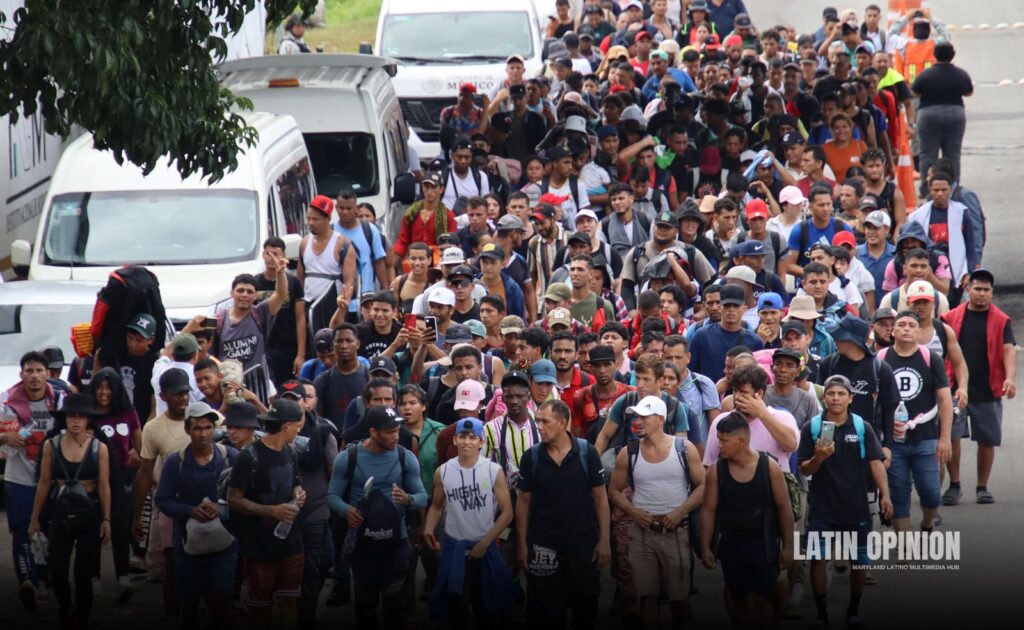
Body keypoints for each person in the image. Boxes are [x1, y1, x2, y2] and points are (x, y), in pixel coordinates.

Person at [798, 375, 892, 630]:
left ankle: (853, 610)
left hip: (856, 505)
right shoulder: (812, 428)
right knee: (818, 559)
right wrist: (818, 458)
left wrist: (885, 494)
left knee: (859, 561)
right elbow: (805, 470)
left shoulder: (862, 428)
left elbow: (875, 462)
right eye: (831, 394)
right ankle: (821, 614)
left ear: (850, 398)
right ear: (824, 397)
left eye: (841, 394)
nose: (836, 398)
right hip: (821, 507)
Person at [608, 395, 704, 630]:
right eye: (636, 416)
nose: (637, 421)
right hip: (642, 531)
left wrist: (680, 511)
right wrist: (635, 513)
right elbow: (614, 491)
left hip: (676, 530)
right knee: (647, 595)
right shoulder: (628, 452)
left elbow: (703, 486)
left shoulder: (683, 448)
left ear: (660, 419)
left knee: (678, 597)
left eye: (644, 416)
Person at [327, 407, 427, 629]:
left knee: (395, 605)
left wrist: (407, 499)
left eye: (398, 430)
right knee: (366, 605)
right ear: (373, 432)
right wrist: (347, 511)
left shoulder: (405, 457)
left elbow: (422, 497)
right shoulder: (348, 457)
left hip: (396, 541)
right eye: (390, 432)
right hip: (362, 543)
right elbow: (332, 496)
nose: (396, 436)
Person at [515, 399, 610, 628]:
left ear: (562, 423)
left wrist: (605, 541)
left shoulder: (587, 453)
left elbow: (601, 498)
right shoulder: (532, 457)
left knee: (585, 606)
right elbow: (523, 504)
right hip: (543, 546)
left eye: (544, 421)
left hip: (582, 545)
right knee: (543, 611)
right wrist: (522, 546)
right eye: (537, 421)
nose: (538, 426)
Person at [700, 412, 794, 630]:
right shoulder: (717, 470)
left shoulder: (769, 467)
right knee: (739, 599)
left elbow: (784, 509)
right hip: (732, 545)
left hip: (764, 544)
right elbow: (708, 511)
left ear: (741, 441)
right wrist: (705, 547)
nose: (719, 446)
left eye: (724, 441)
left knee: (764, 600)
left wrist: (788, 547)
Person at [28, 393, 112, 629]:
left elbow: (104, 486)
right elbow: (44, 483)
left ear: (88, 420)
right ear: (64, 419)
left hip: (89, 514)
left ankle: (82, 618)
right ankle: (65, 609)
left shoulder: (99, 448)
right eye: (71, 416)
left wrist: (106, 519)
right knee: (58, 570)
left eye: (81, 416)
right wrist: (34, 518)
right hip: (60, 513)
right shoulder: (51, 445)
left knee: (83, 573)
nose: (75, 421)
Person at [423, 418, 515, 628]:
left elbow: (507, 513)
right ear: (454, 439)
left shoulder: (493, 470)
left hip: (485, 546)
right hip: (454, 547)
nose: (467, 442)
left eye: (473, 437)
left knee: (489, 605)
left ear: (481, 442)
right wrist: (428, 529)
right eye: (462, 437)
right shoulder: (443, 471)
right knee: (454, 605)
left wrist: (485, 543)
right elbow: (437, 506)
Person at [154, 403, 237, 630]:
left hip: (225, 542)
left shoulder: (230, 457)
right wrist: (190, 510)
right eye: (197, 428)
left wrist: (221, 508)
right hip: (188, 543)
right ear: (187, 430)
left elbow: (245, 494)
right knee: (189, 599)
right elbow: (163, 500)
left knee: (222, 596)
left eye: (208, 428)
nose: (203, 434)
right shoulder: (175, 462)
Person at [227, 398, 307, 630]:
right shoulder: (249, 456)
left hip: (291, 542)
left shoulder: (290, 451)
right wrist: (271, 510)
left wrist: (298, 493)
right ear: (286, 426)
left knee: (290, 601)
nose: (299, 429)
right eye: (296, 425)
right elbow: (234, 500)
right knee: (259, 607)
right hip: (259, 544)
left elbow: (296, 482)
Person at [940, 269, 1016, 505]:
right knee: (952, 436)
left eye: (986, 290)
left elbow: (1008, 349)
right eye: (977, 289)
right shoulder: (950, 317)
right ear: (967, 289)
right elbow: (940, 351)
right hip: (956, 389)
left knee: (987, 439)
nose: (982, 294)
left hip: (987, 388)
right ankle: (954, 485)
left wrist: (1010, 378)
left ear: (992, 292)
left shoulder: (1001, 319)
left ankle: (982, 487)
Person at [0, 350, 64, 608]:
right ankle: (27, 580)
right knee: (21, 529)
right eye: (29, 371)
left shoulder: (60, 400)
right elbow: (8, 448)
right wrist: (5, 437)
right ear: (21, 374)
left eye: (39, 371)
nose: (35, 376)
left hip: (50, 478)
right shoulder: (8, 402)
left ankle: (45, 580)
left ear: (48, 374)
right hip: (19, 476)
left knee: (50, 529)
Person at [879, 310, 953, 533]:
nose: (906, 329)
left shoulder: (931, 358)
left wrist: (945, 438)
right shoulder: (881, 359)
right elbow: (874, 401)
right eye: (901, 324)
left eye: (912, 325)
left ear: (920, 332)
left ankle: (928, 522)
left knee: (931, 492)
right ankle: (904, 546)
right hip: (893, 441)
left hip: (926, 437)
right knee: (899, 494)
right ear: (892, 330)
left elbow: (945, 400)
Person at [131, 369, 195, 615]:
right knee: (173, 562)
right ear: (163, 395)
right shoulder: (153, 428)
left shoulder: (203, 419)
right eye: (177, 393)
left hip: (203, 503)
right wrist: (137, 518)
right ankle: (173, 615)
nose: (183, 398)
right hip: (169, 504)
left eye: (186, 392)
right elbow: (145, 473)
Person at [87, 367, 142, 603]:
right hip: (93, 479)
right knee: (93, 529)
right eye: (100, 386)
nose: (104, 392)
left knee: (120, 528)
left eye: (109, 386)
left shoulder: (129, 413)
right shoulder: (87, 415)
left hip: (122, 480)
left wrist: (137, 455)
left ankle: (123, 577)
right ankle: (93, 577)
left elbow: (141, 447)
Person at [211, 266, 290, 398]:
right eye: (240, 290)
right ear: (232, 293)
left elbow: (281, 294)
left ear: (255, 296)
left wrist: (281, 272)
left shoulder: (260, 313)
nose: (244, 295)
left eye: (249, 291)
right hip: (229, 392)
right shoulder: (219, 320)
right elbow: (210, 357)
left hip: (258, 391)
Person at [912, 42, 972, 194]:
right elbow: (968, 92)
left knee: (927, 153)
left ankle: (927, 188)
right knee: (953, 153)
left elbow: (914, 93)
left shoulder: (925, 75)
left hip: (928, 115)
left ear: (934, 54)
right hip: (955, 114)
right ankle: (953, 188)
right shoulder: (960, 74)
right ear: (953, 55)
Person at [253, 237, 306, 385]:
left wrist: (300, 354)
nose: (272, 259)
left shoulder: (294, 282)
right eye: (268, 254)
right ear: (263, 255)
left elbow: (300, 318)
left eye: (276, 254)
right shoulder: (255, 283)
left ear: (284, 256)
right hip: (265, 346)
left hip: (288, 345)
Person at [689, 285, 764, 382]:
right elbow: (691, 373)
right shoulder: (702, 336)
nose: (731, 310)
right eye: (727, 305)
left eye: (736, 306)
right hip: (708, 395)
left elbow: (757, 378)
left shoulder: (754, 341)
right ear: (720, 307)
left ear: (744, 309)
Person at [298, 195, 357, 317]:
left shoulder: (343, 245)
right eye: (308, 219)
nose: (311, 223)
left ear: (328, 218)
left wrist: (342, 310)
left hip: (333, 308)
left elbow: (349, 282)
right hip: (308, 306)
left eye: (316, 219)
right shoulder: (304, 243)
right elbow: (300, 279)